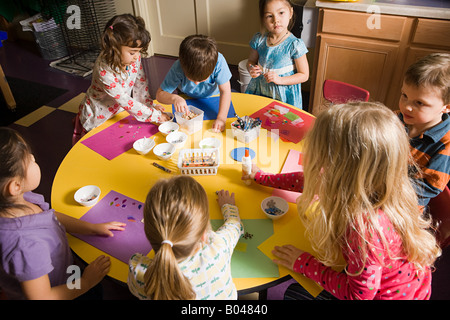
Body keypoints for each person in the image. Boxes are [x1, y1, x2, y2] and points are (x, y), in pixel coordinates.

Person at [269, 102, 441, 300]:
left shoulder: (365, 227)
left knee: (293, 294)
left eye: (320, 155)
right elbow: (311, 180)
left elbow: (357, 296)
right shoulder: (388, 186)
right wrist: (263, 178)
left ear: (344, 170)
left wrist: (304, 263)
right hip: (398, 280)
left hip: (383, 295)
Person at [0, 127, 126, 300]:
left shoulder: (18, 200)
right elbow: (43, 297)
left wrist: (91, 228)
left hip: (66, 271)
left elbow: (50, 217)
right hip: (63, 289)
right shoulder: (25, 246)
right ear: (15, 186)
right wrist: (86, 282)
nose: (33, 157)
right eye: (29, 160)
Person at [127, 176, 243, 300]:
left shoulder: (139, 270)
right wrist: (228, 206)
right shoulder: (218, 246)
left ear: (148, 233)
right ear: (204, 235)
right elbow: (235, 225)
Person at [74, 14, 171, 142]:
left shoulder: (134, 57)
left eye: (139, 51)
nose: (137, 57)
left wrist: (148, 105)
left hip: (119, 109)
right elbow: (124, 100)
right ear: (114, 48)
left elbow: (140, 84)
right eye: (132, 52)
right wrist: (156, 115)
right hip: (99, 115)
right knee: (100, 147)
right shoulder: (104, 70)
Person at [397, 53, 450, 207]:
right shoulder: (396, 119)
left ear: (446, 107)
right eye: (404, 95)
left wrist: (384, 182)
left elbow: (430, 187)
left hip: (405, 209)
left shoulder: (445, 144)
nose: (406, 106)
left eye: (419, 103)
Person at [156, 35, 232, 132]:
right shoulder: (178, 67)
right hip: (186, 97)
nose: (196, 83)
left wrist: (221, 118)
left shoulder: (219, 62)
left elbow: (225, 92)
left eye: (202, 80)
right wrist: (174, 98)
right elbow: (159, 95)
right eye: (191, 79)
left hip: (214, 97)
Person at [245, 0, 309, 110]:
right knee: (257, 114)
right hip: (260, 90)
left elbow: (304, 75)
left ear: (290, 13)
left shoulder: (294, 45)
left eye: (281, 13)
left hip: (283, 95)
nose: (276, 20)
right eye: (269, 16)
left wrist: (280, 80)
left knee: (281, 121)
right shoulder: (259, 40)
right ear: (263, 19)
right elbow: (251, 61)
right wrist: (251, 68)